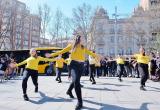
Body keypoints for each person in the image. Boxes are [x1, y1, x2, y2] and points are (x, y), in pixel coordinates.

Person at [46, 35, 98, 110]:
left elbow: (90, 53)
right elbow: (62, 51)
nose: (83, 40)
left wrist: (97, 56)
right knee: (76, 81)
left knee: (75, 80)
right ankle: (80, 102)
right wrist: (51, 55)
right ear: (78, 39)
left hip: (81, 66)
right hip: (73, 65)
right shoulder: (72, 46)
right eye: (82, 39)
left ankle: (69, 91)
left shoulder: (83, 47)